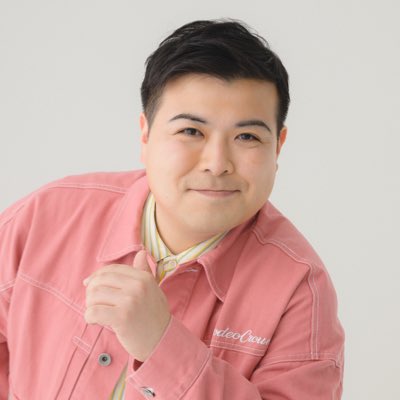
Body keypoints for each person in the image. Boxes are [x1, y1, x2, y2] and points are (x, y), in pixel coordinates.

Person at [0, 19, 344, 399]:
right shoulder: (47, 215)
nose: (217, 163)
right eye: (191, 132)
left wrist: (161, 345)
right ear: (145, 134)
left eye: (246, 136)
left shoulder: (299, 289)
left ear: (278, 146)